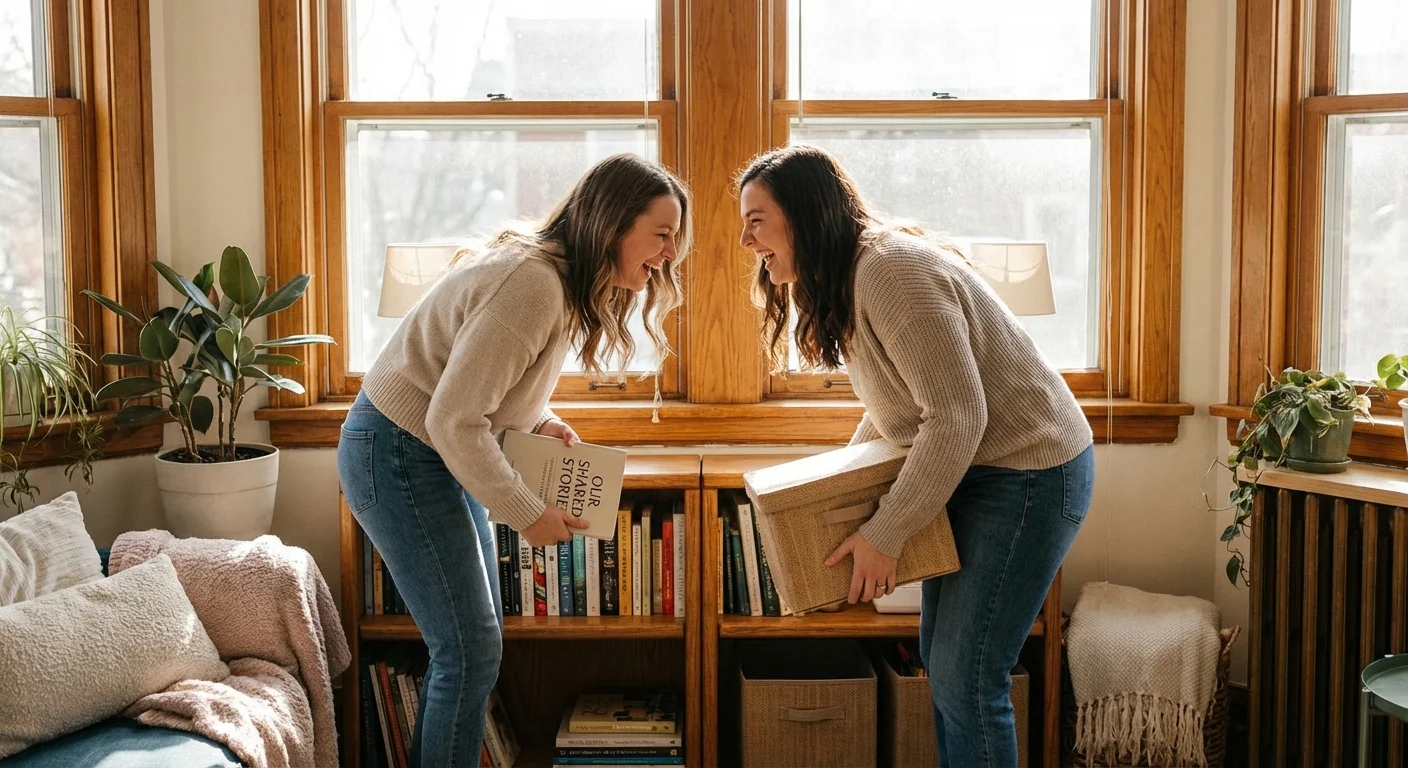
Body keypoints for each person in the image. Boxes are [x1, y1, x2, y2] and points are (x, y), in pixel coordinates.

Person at [736, 144, 1093, 766]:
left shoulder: (889, 270)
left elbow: (958, 414)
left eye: (756, 219)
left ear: (802, 214)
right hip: (978, 472)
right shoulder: (847, 277)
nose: (746, 239)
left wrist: (886, 529)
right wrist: (844, 494)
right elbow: (895, 407)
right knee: (944, 663)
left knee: (970, 677)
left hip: (1029, 473)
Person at [337, 154, 690, 767]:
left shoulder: (553, 280)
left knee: (472, 648)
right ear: (612, 225)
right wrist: (527, 513)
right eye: (662, 235)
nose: (669, 254)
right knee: (468, 652)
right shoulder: (531, 282)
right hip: (398, 451)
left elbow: (489, 384)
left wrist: (540, 420)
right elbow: (454, 418)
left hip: (425, 450)